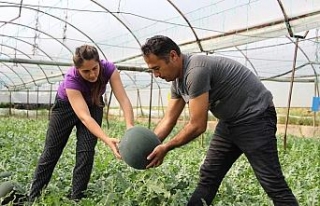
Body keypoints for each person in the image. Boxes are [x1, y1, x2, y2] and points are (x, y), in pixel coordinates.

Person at [141, 35, 299, 206]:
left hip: (255, 117)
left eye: (157, 68)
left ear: (173, 56)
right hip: (230, 121)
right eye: (152, 71)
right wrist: (148, 148)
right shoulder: (178, 82)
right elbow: (169, 119)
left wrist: (166, 146)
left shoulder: (196, 70)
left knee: (272, 183)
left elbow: (197, 125)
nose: (156, 75)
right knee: (209, 175)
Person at [28, 45, 134, 201]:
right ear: (77, 69)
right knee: (52, 150)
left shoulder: (109, 69)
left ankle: (77, 198)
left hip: (94, 102)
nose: (92, 74)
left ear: (99, 63)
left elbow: (123, 99)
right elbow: (85, 117)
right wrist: (106, 139)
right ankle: (33, 197)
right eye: (86, 71)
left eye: (95, 68)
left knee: (86, 151)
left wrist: (130, 126)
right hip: (66, 106)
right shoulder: (71, 79)